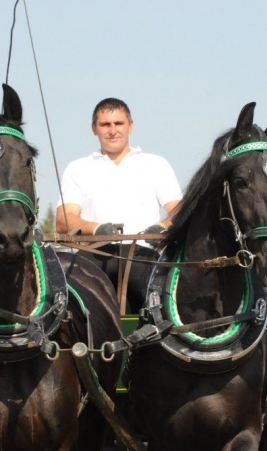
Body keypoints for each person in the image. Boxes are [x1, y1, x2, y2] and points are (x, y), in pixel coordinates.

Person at [56, 97, 182, 311]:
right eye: (105, 124)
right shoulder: (78, 168)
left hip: (143, 256)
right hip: (95, 257)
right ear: (94, 128)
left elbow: (179, 210)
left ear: (130, 126)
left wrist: (161, 226)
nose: (112, 131)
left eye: (119, 123)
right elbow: (63, 221)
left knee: (164, 301)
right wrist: (97, 229)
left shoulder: (156, 164)